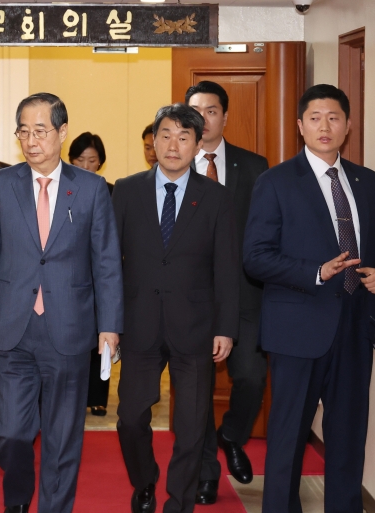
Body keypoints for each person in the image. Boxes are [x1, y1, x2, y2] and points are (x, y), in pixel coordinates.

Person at [0, 92, 123, 513]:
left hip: (69, 329)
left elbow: (106, 263)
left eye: (40, 130)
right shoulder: (0, 185)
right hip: (12, 328)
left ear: (62, 131)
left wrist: (109, 326)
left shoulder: (90, 189)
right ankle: (17, 500)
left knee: (62, 437)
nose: (31, 140)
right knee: (12, 433)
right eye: (23, 131)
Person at [244, 84, 375, 513]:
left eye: (334, 117)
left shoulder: (367, 182)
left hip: (356, 327)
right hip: (297, 330)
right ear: (300, 126)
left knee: (348, 438)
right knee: (287, 441)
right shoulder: (276, 182)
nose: (325, 126)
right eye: (315, 118)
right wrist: (315, 273)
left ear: (348, 126)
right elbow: (256, 258)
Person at [113, 103, 239, 513]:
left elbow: (226, 268)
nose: (173, 145)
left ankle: (178, 503)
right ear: (152, 141)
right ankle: (145, 479)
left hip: (196, 327)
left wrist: (226, 327)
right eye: (165, 135)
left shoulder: (217, 198)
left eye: (184, 137)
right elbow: (109, 262)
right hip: (139, 325)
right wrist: (109, 324)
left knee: (190, 428)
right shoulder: (126, 190)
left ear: (198, 143)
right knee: (130, 418)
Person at [185, 80, 269, 504]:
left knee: (252, 376)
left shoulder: (255, 167)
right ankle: (205, 474)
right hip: (192, 299)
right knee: (196, 389)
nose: (204, 118)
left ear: (225, 115)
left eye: (212, 110)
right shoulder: (174, 165)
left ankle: (232, 434)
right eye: (195, 111)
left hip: (244, 294)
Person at [68, 131, 112, 417]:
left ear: (101, 163)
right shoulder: (60, 189)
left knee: (100, 337)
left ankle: (97, 396)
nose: (86, 166)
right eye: (80, 160)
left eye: (92, 160)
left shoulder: (109, 190)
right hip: (69, 276)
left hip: (98, 277)